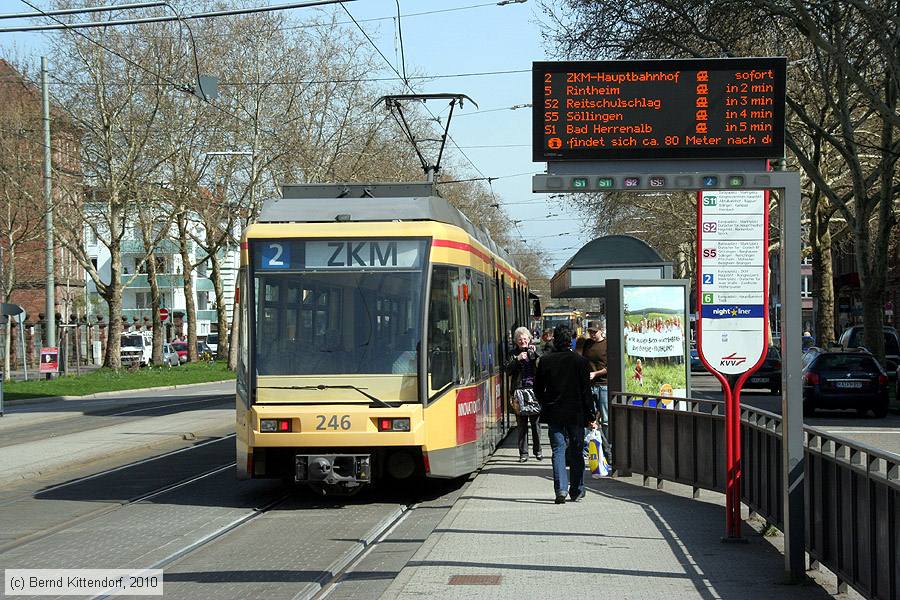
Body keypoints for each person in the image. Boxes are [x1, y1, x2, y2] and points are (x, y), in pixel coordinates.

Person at [533, 325, 596, 504]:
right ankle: (576, 490)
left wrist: (546, 401)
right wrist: (591, 416)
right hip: (576, 413)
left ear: (554, 339)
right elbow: (586, 393)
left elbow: (537, 388)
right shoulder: (581, 362)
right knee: (576, 450)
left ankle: (560, 489)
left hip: (554, 412)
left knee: (558, 450)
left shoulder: (546, 361)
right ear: (571, 340)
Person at [505, 327, 542, 462]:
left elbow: (542, 366)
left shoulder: (535, 351)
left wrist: (535, 354)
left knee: (535, 424)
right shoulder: (512, 354)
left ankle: (538, 451)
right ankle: (523, 453)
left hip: (533, 390)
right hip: (518, 391)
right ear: (516, 341)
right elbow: (508, 371)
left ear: (529, 339)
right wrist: (517, 359)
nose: (522, 341)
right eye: (520, 339)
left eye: (525, 339)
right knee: (521, 425)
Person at [582, 319, 610, 450]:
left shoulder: (607, 344)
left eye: (594, 332)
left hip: (603, 384)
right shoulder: (587, 344)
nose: (592, 334)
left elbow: (610, 367)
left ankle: (607, 447)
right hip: (590, 384)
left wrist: (596, 374)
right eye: (590, 332)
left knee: (605, 418)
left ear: (601, 331)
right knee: (589, 415)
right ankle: (588, 446)